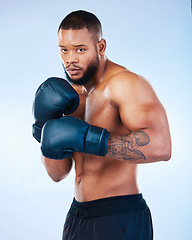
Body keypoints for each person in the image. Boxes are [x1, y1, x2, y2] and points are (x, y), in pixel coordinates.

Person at [32, 10, 171, 240]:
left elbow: (162, 147)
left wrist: (92, 140)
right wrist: (42, 128)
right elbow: (58, 174)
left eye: (80, 49)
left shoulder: (124, 84)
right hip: (77, 216)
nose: (70, 59)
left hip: (119, 214)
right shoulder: (69, 95)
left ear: (101, 46)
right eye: (64, 50)